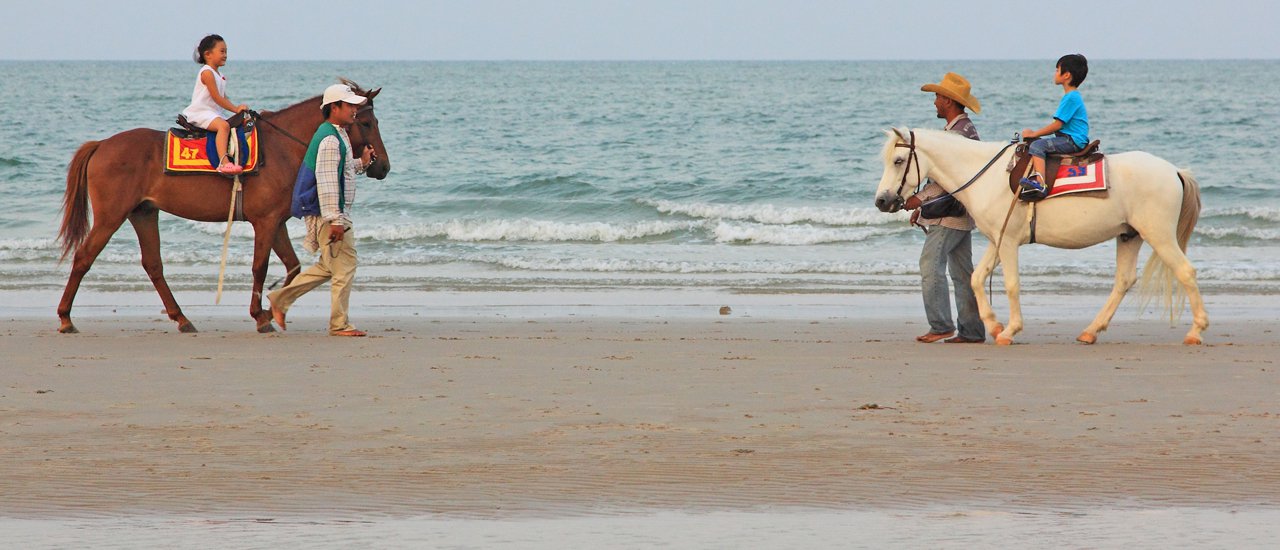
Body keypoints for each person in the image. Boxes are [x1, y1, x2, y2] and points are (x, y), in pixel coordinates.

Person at [268, 84, 377, 337]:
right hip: (331, 214)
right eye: (349, 106)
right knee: (345, 267)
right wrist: (335, 220)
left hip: (330, 213)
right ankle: (339, 324)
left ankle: (280, 299)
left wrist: (361, 163)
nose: (354, 110)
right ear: (334, 108)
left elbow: (340, 168)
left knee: (329, 267)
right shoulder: (330, 140)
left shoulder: (336, 134)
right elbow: (327, 183)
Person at [908, 72, 985, 344]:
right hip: (962, 212)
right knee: (962, 274)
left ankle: (940, 325)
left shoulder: (956, 135)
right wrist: (923, 206)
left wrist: (920, 199)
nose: (935, 102)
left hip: (948, 215)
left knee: (930, 266)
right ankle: (972, 331)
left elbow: (946, 180)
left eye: (938, 97)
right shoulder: (965, 130)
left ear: (949, 101)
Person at [1018, 54, 1090, 199]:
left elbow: (1057, 125)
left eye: (1057, 70)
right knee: (1038, 142)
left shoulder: (1071, 98)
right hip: (1070, 138)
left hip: (1072, 140)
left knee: (1037, 146)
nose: (1055, 73)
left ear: (1066, 75)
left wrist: (1034, 134)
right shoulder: (1072, 96)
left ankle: (1040, 184)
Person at [181, 34, 250, 175]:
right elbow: (217, 98)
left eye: (226, 52)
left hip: (213, 113)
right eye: (222, 51)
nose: (225, 55)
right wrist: (235, 109)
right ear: (208, 54)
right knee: (223, 126)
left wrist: (238, 111)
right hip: (201, 112)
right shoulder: (207, 73)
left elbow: (224, 97)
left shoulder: (220, 75)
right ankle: (224, 162)